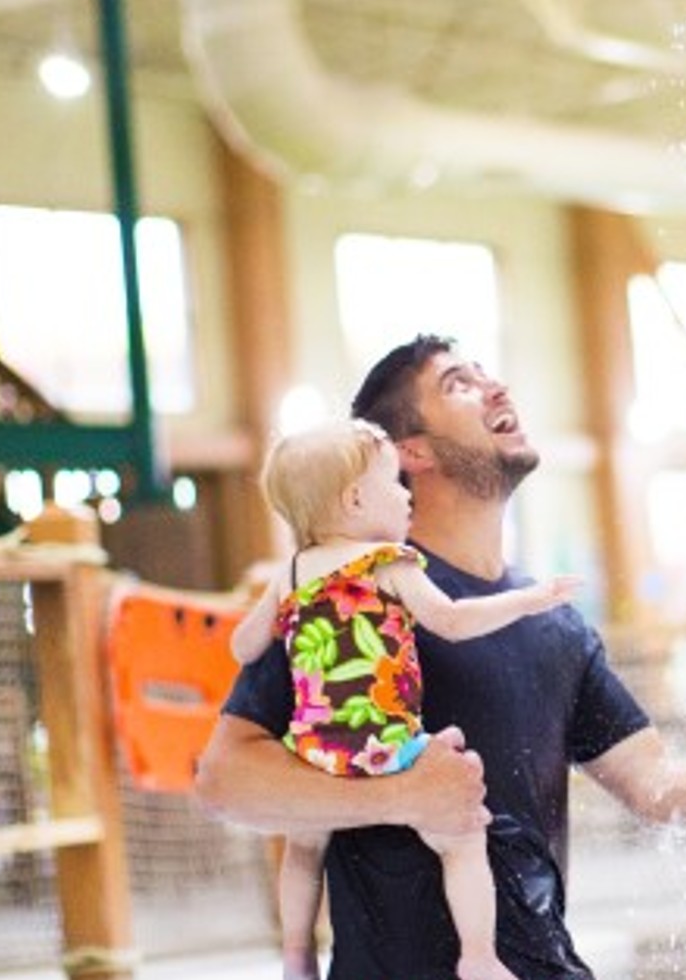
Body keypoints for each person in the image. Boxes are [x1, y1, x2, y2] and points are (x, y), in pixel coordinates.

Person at [196, 335, 686, 980]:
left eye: (487, 371)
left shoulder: (553, 623)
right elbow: (226, 779)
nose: (495, 385)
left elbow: (660, 788)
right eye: (458, 382)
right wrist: (402, 795)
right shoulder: (351, 595)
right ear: (411, 453)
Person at [228, 417, 580, 980]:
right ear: (355, 499)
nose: (404, 493)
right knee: (463, 835)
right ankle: (480, 957)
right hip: (385, 745)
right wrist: (528, 601)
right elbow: (452, 620)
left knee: (302, 849)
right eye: (394, 482)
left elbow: (242, 645)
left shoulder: (291, 572)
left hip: (315, 752)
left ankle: (296, 957)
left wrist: (275, 625)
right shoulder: (387, 562)